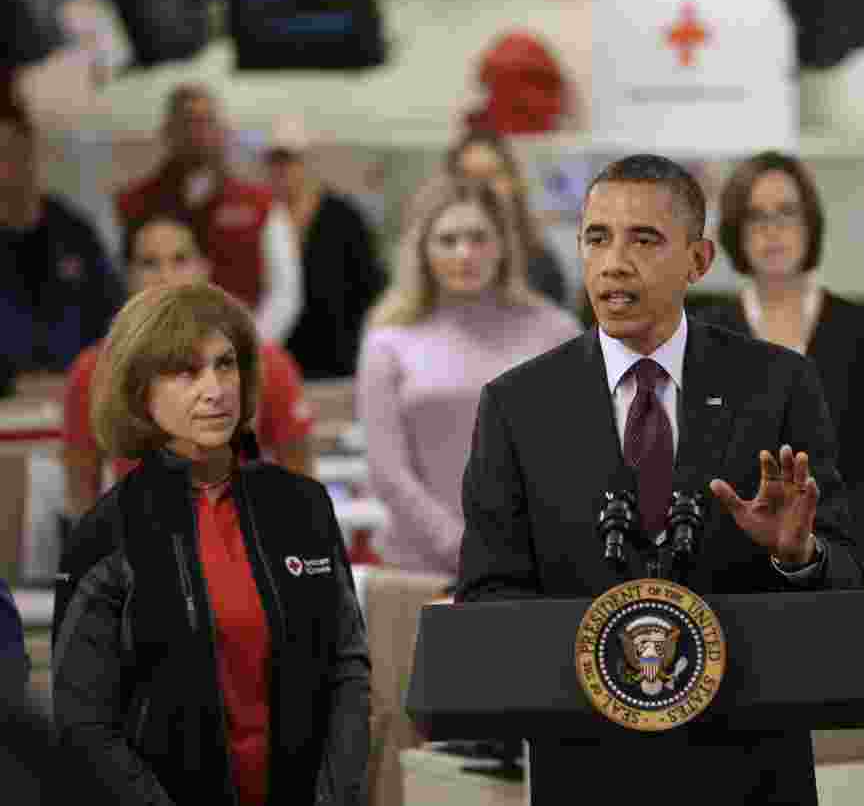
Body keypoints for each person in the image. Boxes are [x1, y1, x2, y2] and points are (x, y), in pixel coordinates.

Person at [456, 154, 864, 805]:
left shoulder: (778, 385)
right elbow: (486, 598)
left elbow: (847, 582)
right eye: (597, 238)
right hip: (587, 770)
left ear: (698, 261)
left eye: (644, 240)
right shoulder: (517, 405)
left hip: (750, 770)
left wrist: (798, 557)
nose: (614, 263)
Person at [51, 281, 370, 806]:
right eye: (186, 371)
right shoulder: (106, 534)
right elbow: (83, 723)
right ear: (140, 390)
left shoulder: (303, 507)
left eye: (225, 364)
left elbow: (348, 670)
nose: (215, 389)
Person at [357, 174, 580, 578]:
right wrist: (461, 547)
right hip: (419, 571)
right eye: (447, 240)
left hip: (534, 563)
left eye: (479, 238)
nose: (465, 253)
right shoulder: (387, 341)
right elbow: (387, 472)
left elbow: (574, 454)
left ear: (503, 245)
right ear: (422, 250)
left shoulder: (556, 331)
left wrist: (520, 547)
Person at [700, 150, 864, 562]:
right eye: (756, 216)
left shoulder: (862, 333)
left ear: (810, 223)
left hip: (832, 561)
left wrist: (824, 558)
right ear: (735, 230)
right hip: (730, 565)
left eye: (787, 213)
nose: (772, 231)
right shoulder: (707, 336)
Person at [62, 214, 315, 523]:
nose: (166, 276)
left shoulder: (265, 363)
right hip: (141, 543)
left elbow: (302, 491)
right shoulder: (94, 372)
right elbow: (81, 499)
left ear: (204, 269)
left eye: (180, 260)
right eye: (149, 263)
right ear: (129, 276)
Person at [115, 83, 303, 344]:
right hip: (154, 348)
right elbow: (119, 284)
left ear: (223, 130)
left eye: (207, 122)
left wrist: (244, 348)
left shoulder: (261, 206)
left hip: (241, 346)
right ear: (167, 132)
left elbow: (285, 294)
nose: (199, 133)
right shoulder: (133, 203)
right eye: (189, 122)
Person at [0, 100, 123, 387]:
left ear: (29, 152)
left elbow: (113, 318)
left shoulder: (74, 233)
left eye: (11, 153)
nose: (5, 169)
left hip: (77, 388)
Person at [263, 115, 388, 379]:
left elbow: (371, 286)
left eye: (290, 160)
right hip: (279, 356)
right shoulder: (264, 218)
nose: (283, 170)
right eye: (275, 162)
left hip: (337, 358)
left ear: (307, 162)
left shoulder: (344, 217)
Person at [447, 129, 569, 306]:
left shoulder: (541, 262)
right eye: (469, 176)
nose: (482, 187)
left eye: (492, 175)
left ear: (513, 182)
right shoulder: (431, 260)